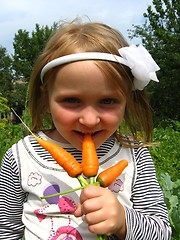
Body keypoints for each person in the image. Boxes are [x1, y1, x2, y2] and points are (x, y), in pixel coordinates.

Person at [0, 19, 171, 240]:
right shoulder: (20, 158)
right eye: (72, 100)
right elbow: (5, 232)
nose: (90, 120)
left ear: (127, 100)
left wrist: (123, 221)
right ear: (46, 100)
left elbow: (162, 232)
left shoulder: (135, 154)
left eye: (108, 101)